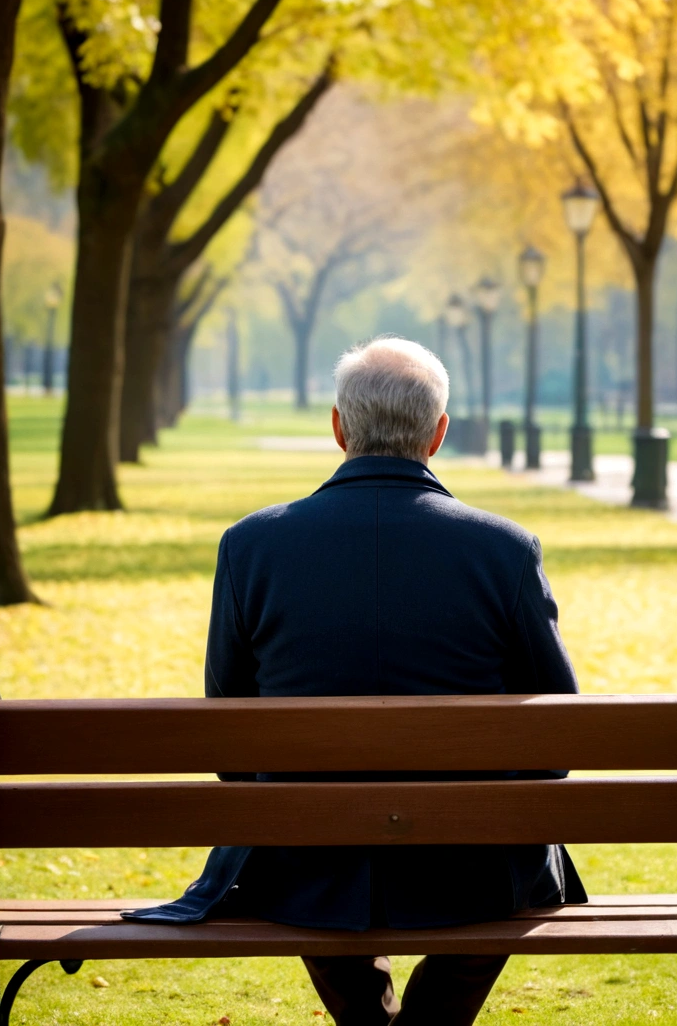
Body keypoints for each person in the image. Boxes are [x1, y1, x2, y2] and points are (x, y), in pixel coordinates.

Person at [126, 335, 585, 1025]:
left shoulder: (251, 546)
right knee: (518, 853)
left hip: (305, 867)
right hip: (471, 872)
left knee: (287, 827)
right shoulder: (504, 550)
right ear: (438, 434)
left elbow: (229, 740)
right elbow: (556, 744)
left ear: (339, 428)